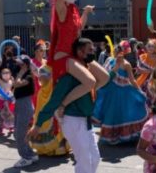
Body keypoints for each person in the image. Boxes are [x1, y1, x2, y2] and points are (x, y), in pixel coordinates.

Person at [29, 38, 107, 173]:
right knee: (84, 161)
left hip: (86, 122)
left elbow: (104, 77)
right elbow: (53, 101)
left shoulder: (87, 72)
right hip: (73, 120)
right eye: (89, 50)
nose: (93, 52)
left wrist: (86, 58)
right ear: (79, 51)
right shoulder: (68, 77)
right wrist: (38, 124)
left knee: (95, 159)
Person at [46, 0, 109, 116]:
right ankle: (62, 105)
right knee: (90, 81)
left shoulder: (74, 10)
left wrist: (86, 12)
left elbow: (79, 27)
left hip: (76, 54)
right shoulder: (61, 10)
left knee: (105, 77)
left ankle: (79, 97)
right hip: (64, 56)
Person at [93, 41, 148, 144]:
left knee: (122, 114)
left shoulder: (126, 64)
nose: (117, 51)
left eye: (119, 50)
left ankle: (121, 136)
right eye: (116, 49)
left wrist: (139, 91)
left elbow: (132, 80)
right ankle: (114, 136)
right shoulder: (109, 60)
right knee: (113, 114)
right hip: (112, 92)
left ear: (124, 52)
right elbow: (105, 76)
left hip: (124, 93)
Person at [30, 41, 70, 156]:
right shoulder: (46, 67)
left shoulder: (47, 66)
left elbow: (45, 82)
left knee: (54, 121)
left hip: (51, 97)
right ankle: (54, 148)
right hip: (46, 97)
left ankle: (57, 148)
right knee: (50, 121)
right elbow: (43, 82)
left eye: (45, 50)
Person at [13, 58, 39, 168]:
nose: (18, 64)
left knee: (20, 134)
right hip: (21, 105)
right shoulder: (24, 75)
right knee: (20, 132)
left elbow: (17, 84)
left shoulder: (28, 76)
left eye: (20, 63)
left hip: (25, 106)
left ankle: (25, 158)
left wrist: (21, 72)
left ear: (26, 65)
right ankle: (30, 154)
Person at [136, 39, 156, 106]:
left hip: (153, 82)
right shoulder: (142, 56)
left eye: (152, 46)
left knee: (151, 101)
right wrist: (149, 71)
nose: (150, 47)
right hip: (141, 81)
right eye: (149, 45)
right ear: (146, 46)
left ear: (155, 48)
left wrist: (148, 71)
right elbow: (138, 71)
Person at [0, 68, 15, 136]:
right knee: (2, 115)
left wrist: (11, 94)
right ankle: (0, 129)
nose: (6, 75)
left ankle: (11, 127)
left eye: (7, 73)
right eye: (4, 73)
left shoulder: (11, 80)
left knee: (11, 114)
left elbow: (13, 87)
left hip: (9, 98)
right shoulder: (0, 81)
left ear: (10, 74)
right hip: (2, 99)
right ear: (1, 74)